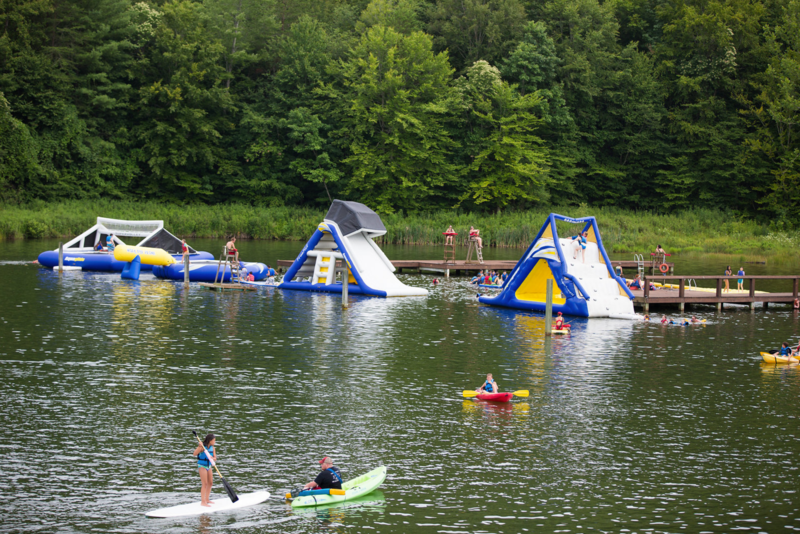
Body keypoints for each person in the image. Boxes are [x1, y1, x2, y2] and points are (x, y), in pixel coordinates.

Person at [193, 433, 217, 507]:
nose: (214, 442)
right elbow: (194, 454)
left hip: (209, 466)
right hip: (202, 466)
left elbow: (215, 458)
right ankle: (203, 502)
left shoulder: (212, 448)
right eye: (214, 440)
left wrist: (213, 458)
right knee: (205, 483)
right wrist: (199, 446)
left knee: (210, 483)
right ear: (210, 440)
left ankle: (207, 499)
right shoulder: (202, 447)